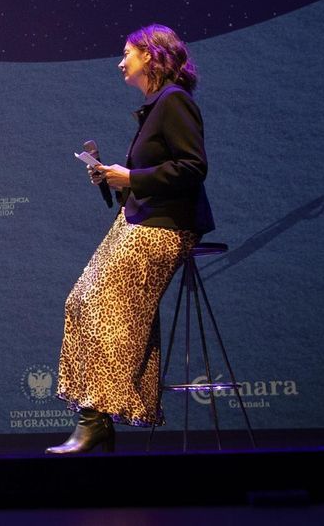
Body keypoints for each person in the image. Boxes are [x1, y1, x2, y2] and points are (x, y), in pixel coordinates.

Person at [47, 24, 215, 454]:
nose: (121, 62)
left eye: (128, 53)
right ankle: (98, 415)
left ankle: (96, 418)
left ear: (153, 56)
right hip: (138, 218)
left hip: (165, 226)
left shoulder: (174, 101)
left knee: (103, 305)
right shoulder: (155, 106)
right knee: (80, 301)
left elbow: (193, 167)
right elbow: (153, 175)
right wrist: (114, 179)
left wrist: (132, 176)